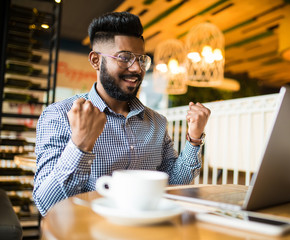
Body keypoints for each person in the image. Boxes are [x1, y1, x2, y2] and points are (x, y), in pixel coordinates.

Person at [32, 12, 211, 216]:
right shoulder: (58, 115)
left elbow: (173, 183)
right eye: (124, 58)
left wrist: (194, 139)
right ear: (96, 60)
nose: (136, 68)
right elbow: (47, 205)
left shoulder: (157, 122)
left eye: (141, 59)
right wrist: (80, 146)